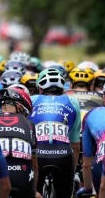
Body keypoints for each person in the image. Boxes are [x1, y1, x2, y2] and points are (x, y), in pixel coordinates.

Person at [31, 68, 82, 198]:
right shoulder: (73, 101)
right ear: (62, 89)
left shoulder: (32, 100)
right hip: (63, 156)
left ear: (40, 89)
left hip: (38, 156)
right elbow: (75, 144)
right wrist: (72, 171)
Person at [0, 87, 39, 198]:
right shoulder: (29, 124)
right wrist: (33, 191)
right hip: (22, 177)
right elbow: (34, 165)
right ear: (21, 108)